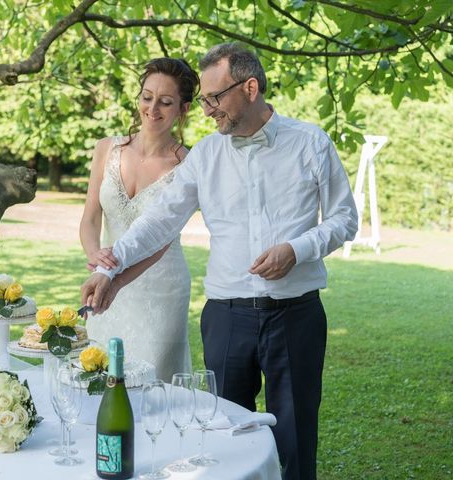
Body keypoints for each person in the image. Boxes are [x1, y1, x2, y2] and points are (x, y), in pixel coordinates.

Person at [81, 43, 358, 480]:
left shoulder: (310, 143)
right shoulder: (206, 156)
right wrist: (108, 268)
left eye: (214, 98)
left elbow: (345, 219)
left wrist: (297, 249)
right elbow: (157, 223)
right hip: (226, 319)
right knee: (223, 439)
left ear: (250, 88)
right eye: (205, 100)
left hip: (296, 315)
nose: (207, 109)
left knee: (296, 437)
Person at [79, 58, 199, 382]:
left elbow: (162, 239)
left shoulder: (190, 166)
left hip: (161, 289)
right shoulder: (107, 149)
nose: (153, 109)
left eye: (166, 102)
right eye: (147, 97)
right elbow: (90, 217)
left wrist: (115, 273)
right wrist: (97, 259)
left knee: (153, 384)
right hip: (104, 278)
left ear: (183, 109)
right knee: (99, 376)